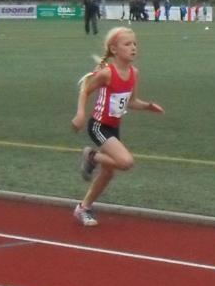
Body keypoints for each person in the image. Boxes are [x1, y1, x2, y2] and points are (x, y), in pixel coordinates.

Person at [70, 26, 164, 226]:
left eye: (135, 44)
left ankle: (83, 208)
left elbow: (131, 102)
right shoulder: (107, 73)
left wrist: (148, 106)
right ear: (114, 49)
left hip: (113, 128)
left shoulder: (134, 73)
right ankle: (92, 156)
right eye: (127, 44)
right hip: (98, 126)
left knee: (107, 173)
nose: (133, 48)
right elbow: (85, 90)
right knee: (126, 162)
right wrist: (80, 114)